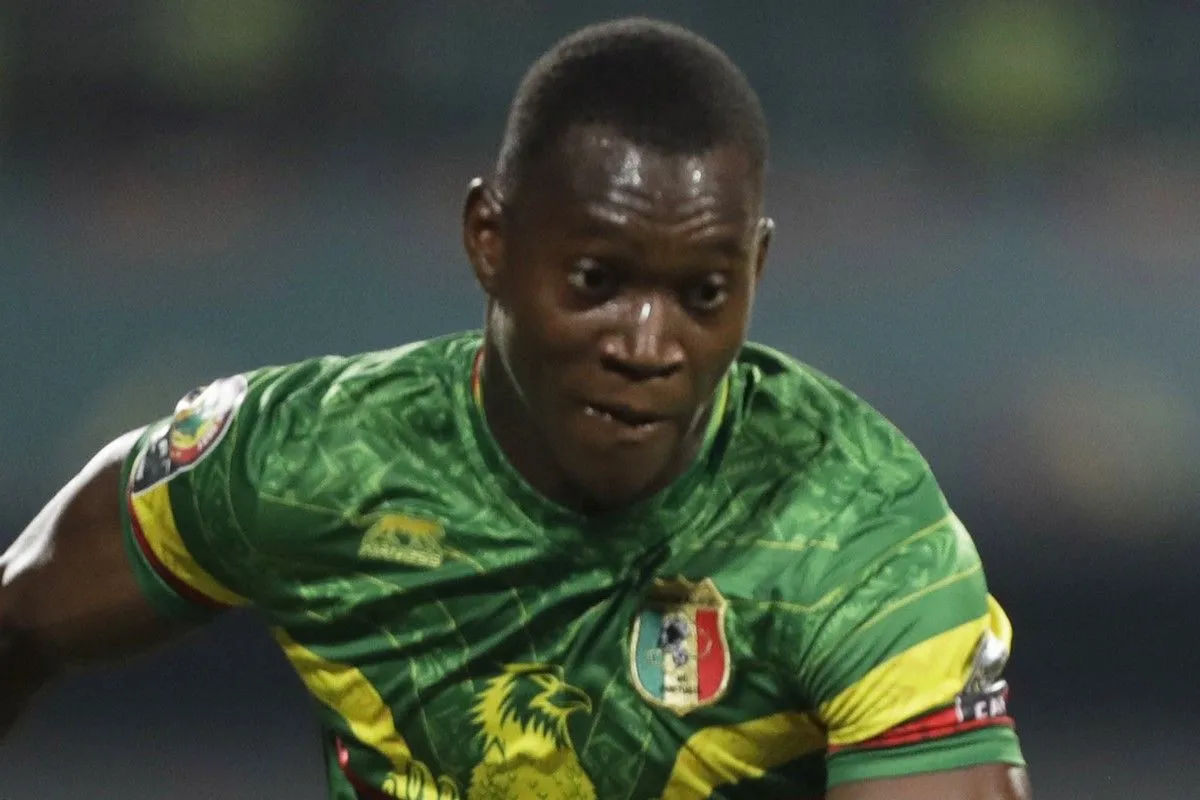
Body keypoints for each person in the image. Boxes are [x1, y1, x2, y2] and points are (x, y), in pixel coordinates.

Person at [0, 17, 1031, 800]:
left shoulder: (858, 532)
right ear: (489, 241)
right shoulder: (308, 462)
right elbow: (19, 616)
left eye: (703, 293)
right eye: (596, 280)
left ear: (756, 270)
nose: (647, 345)